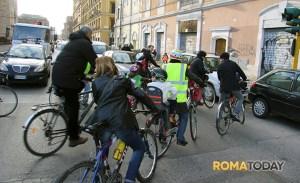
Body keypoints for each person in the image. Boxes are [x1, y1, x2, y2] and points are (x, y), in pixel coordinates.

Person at [90, 56, 160, 183]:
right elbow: (141, 95)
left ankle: (97, 177)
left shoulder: (95, 83)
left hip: (100, 121)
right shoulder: (122, 80)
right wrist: (155, 109)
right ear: (111, 66)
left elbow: (98, 101)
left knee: (102, 152)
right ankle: (129, 179)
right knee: (139, 148)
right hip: (119, 121)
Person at [52, 26, 97, 147]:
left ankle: (71, 125)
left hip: (58, 75)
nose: (91, 37)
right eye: (91, 35)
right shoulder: (84, 43)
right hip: (67, 78)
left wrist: (84, 76)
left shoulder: (72, 42)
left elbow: (73, 63)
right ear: (87, 34)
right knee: (74, 105)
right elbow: (95, 61)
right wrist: (104, 71)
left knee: (69, 102)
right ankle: (73, 137)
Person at [162, 49, 189, 146]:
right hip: (178, 98)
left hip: (165, 97)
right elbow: (193, 77)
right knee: (184, 116)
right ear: (180, 58)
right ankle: (180, 138)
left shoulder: (164, 66)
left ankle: (163, 136)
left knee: (166, 114)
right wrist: (201, 83)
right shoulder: (184, 67)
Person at [147, 68, 177, 137]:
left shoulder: (149, 84)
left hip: (150, 105)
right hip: (161, 106)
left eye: (153, 75)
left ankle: (151, 120)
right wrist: (171, 98)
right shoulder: (167, 84)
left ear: (157, 76)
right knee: (168, 106)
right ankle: (168, 125)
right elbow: (174, 92)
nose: (151, 77)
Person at [217, 52, 247, 121]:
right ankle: (235, 113)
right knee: (241, 98)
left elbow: (219, 78)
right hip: (234, 87)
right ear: (228, 57)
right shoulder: (233, 64)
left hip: (223, 87)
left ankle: (220, 115)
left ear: (222, 58)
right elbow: (241, 72)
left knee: (221, 101)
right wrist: (244, 78)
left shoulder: (220, 66)